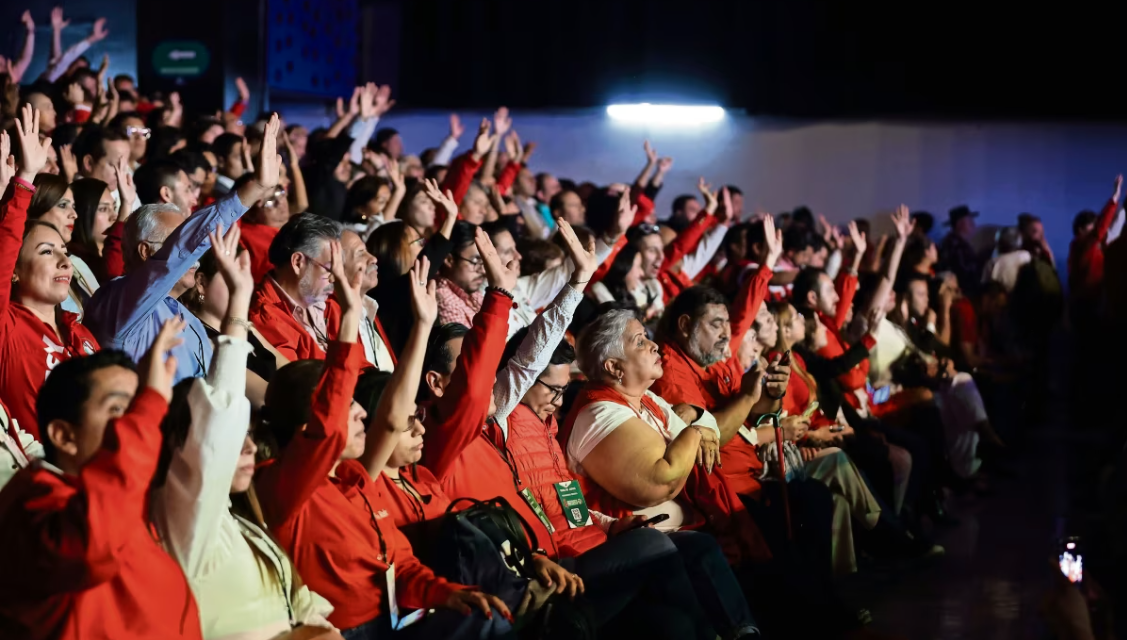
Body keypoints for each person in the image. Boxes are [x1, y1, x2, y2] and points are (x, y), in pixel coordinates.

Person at [254, 242, 513, 638]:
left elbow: (399, 566)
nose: (360, 414)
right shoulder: (287, 488)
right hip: (348, 633)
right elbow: (377, 422)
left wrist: (445, 594)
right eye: (347, 406)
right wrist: (347, 326)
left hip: (397, 619)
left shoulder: (357, 480)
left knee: (489, 614)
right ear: (312, 423)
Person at [0, 320, 202, 639]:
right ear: (65, 436)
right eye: (119, 408)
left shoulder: (109, 489)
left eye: (134, 408)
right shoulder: (29, 507)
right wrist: (149, 406)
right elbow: (93, 547)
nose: (136, 422)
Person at [86, 114, 282, 383]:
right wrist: (254, 188)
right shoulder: (121, 300)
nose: (194, 256)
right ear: (146, 252)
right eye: (180, 242)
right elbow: (184, 246)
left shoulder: (183, 315)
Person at [0, 108, 101, 440]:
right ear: (14, 272)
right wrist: (25, 179)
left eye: (65, 252)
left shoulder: (80, 333)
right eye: (47, 252)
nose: (64, 262)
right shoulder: (7, 330)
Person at [27, 173, 99, 316]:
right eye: (62, 205)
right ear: (37, 207)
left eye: (73, 206)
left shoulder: (76, 261)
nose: (74, 214)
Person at [937, 205, 981, 295]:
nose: (973, 225)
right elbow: (965, 275)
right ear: (960, 224)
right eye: (970, 222)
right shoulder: (956, 245)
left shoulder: (954, 242)